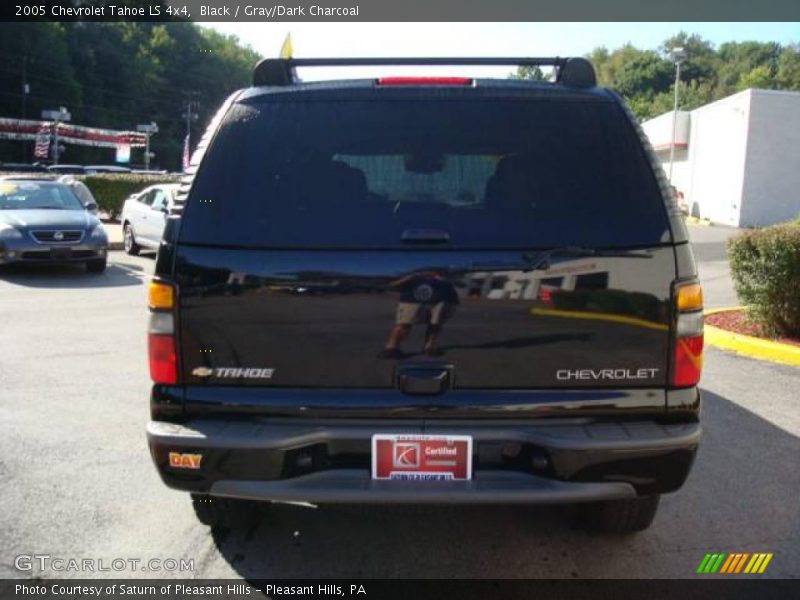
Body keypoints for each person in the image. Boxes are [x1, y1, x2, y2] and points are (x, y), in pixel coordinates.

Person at [378, 270, 459, 359]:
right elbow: (391, 286)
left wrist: (453, 304)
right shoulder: (414, 277)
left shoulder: (445, 281)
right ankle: (391, 348)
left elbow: (453, 292)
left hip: (442, 300)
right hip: (413, 299)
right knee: (404, 323)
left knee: (435, 324)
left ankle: (430, 347)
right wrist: (412, 276)